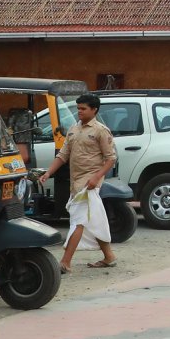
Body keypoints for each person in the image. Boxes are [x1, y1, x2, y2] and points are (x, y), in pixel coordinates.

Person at [43, 92, 118, 273]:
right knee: (92, 220)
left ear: (94, 110)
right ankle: (109, 257)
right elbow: (63, 155)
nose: (80, 112)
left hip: (89, 184)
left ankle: (65, 262)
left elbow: (110, 159)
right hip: (76, 183)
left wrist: (96, 177)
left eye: (83, 109)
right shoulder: (73, 129)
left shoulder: (100, 130)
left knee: (78, 220)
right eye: (78, 108)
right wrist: (48, 173)